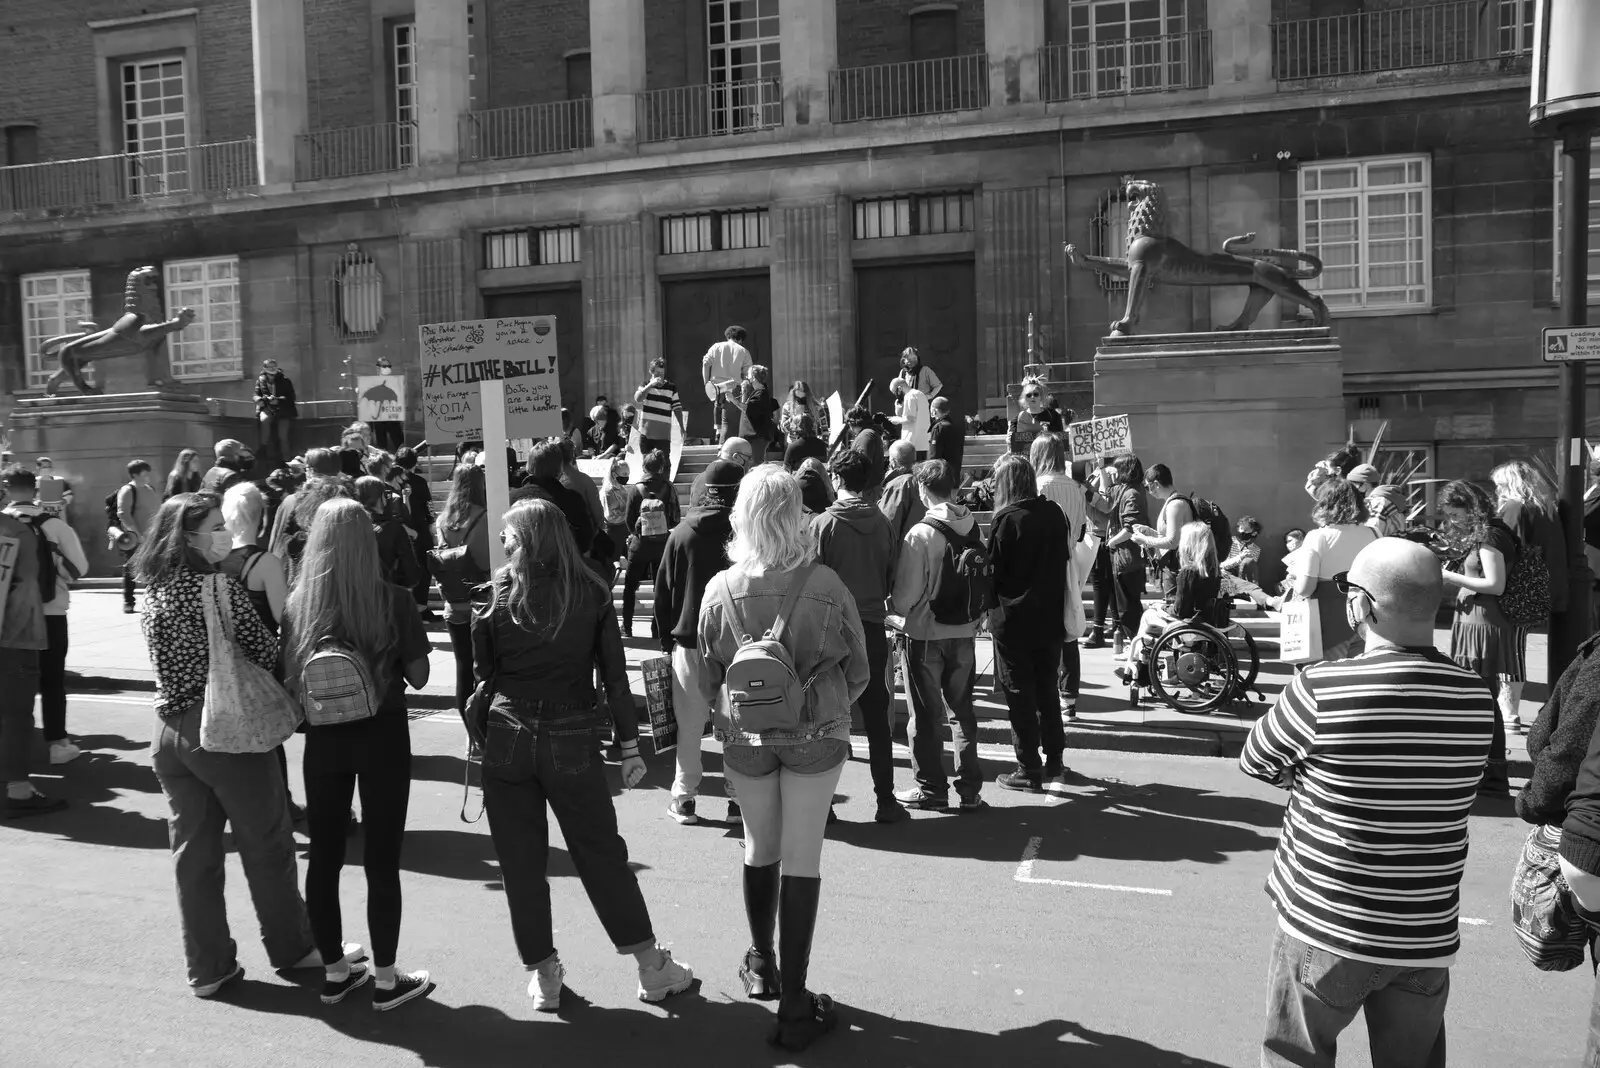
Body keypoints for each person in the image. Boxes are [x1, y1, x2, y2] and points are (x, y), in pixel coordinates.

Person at [1240, 537, 1493, 1068]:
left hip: (1327, 922)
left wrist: (1311, 776)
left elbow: (1257, 759)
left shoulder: (1322, 688)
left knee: (1296, 1056)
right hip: (1422, 932)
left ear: (1363, 604)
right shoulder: (1474, 696)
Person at [473, 499, 694, 1010]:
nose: (503, 543)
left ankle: (545, 973)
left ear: (528, 539)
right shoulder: (591, 590)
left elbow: (483, 676)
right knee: (601, 855)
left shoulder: (496, 594)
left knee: (520, 862)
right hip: (571, 733)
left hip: (508, 733)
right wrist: (630, 747)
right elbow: (615, 678)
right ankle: (650, 965)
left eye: (508, 536)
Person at [132, 492, 333, 996]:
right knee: (267, 844)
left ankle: (208, 968)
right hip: (224, 728)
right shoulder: (217, 588)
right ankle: (293, 949)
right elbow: (268, 650)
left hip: (169, 730)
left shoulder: (153, 588)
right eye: (215, 526)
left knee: (194, 857)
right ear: (188, 536)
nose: (224, 534)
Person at [698, 465, 868, 1053]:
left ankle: (761, 962)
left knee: (757, 845)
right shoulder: (824, 583)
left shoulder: (721, 587)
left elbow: (706, 670)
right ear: (796, 515)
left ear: (741, 517)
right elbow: (862, 669)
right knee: (802, 856)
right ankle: (795, 1000)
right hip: (816, 730)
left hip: (746, 734)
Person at [283, 498, 433, 1010]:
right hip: (384, 733)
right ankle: (389, 980)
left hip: (323, 741)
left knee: (323, 857)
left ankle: (334, 972)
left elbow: (290, 682)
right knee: (382, 858)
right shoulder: (392, 598)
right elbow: (419, 676)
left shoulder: (299, 604)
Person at [812, 449, 904, 824]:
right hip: (870, 625)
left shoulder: (823, 525)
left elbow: (811, 578)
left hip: (830, 627)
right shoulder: (882, 524)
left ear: (836, 479)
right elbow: (891, 575)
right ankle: (886, 799)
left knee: (826, 715)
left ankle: (824, 801)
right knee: (877, 714)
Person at [890, 460, 985, 813]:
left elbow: (904, 597)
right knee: (962, 712)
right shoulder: (973, 527)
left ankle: (931, 788)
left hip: (925, 634)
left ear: (921, 489)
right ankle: (970, 790)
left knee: (927, 716)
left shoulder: (921, 533)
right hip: (964, 633)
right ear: (955, 489)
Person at [654, 459, 743, 825]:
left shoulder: (681, 533)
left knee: (688, 726)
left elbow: (664, 592)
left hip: (689, 640)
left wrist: (664, 639)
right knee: (735, 725)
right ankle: (737, 799)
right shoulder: (744, 532)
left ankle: (685, 798)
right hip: (735, 640)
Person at [218, 483, 301, 820]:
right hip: (261, 664)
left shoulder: (216, 561)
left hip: (224, 661)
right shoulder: (264, 562)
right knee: (269, 738)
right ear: (262, 517)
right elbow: (286, 619)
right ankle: (280, 802)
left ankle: (240, 805)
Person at [987, 454, 1069, 793]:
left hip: (1014, 619)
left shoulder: (1007, 519)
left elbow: (994, 573)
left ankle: (1028, 767)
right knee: (1048, 688)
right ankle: (1054, 759)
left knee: (1019, 694)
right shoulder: (1054, 513)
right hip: (1049, 615)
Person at [2, 465, 88, 766]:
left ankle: (13, 747)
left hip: (6, 616)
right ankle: (57, 743)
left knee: (9, 682)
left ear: (6, 489)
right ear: (35, 490)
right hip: (50, 613)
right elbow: (80, 569)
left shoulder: (2, 524)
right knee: (52, 681)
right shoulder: (55, 526)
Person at [1438, 479, 1516, 797]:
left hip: (1483, 624)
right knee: (1481, 697)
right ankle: (1486, 768)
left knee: (1483, 698)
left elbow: (1496, 584)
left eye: (1456, 514)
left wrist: (1447, 575)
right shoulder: (1489, 533)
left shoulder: (1490, 535)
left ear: (1471, 508)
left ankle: (1493, 773)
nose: (1453, 521)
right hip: (1476, 621)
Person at [0, 481, 63, 818]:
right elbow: (30, 587)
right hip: (15, 636)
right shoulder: (16, 531)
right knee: (14, 716)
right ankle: (18, 792)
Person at [1492, 459, 1567, 734]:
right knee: (1516, 647)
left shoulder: (1513, 508)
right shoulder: (1546, 509)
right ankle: (1509, 711)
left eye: (1499, 484)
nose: (1496, 490)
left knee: (1510, 651)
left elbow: (1502, 547)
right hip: (1539, 588)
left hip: (1514, 588)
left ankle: (1509, 713)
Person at [1116, 521, 1221, 690]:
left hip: (1189, 624)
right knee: (1154, 615)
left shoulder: (1188, 572)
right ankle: (1146, 663)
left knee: (1148, 615)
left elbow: (1180, 610)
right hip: (1205, 621)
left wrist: (1162, 608)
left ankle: (1139, 666)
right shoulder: (1213, 570)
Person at [1289, 479, 1377, 664]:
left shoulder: (1317, 537)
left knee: (1324, 679)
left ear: (1324, 504)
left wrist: (1293, 578)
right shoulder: (1374, 533)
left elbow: (1305, 588)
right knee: (1358, 677)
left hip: (1328, 621)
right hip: (1366, 616)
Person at [1032, 434, 1088, 716]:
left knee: (1041, 632)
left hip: (1041, 565)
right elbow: (1078, 534)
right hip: (1069, 563)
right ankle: (1069, 697)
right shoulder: (1077, 489)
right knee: (1069, 629)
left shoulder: (1036, 486)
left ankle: (1047, 692)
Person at [436, 460, 490, 716]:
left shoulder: (442, 522)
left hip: (453, 604)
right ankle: (483, 730)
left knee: (462, 669)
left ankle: (469, 731)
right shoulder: (486, 517)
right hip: (482, 604)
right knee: (485, 670)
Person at [1094, 454, 1150, 652]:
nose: (1114, 473)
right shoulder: (1125, 490)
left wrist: (1111, 542)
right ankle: (1135, 646)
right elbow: (1107, 491)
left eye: (1117, 470)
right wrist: (1101, 468)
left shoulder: (1132, 494)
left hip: (1127, 559)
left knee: (1128, 608)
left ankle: (1137, 649)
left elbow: (1130, 527)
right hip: (1123, 558)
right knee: (1125, 606)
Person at [1128, 463, 1195, 598]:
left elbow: (1172, 542)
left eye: (1147, 487)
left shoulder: (1175, 505)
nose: (1148, 491)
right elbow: (1168, 536)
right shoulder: (1172, 502)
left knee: (1175, 612)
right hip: (1175, 568)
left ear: (1156, 484)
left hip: (1177, 569)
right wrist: (1149, 532)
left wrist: (1144, 540)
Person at [357, 476, 422, 592]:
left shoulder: (352, 526)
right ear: (381, 497)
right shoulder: (394, 528)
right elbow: (411, 572)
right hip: (389, 593)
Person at [115, 459, 160, 614]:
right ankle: (128, 601)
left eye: (148, 473)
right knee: (131, 569)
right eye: (144, 473)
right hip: (135, 538)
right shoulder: (128, 490)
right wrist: (137, 533)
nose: (147, 476)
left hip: (151, 537)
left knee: (154, 568)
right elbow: (123, 514)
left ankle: (154, 599)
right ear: (135, 474)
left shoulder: (149, 489)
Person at [394, 447, 435, 617]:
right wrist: (432, 522)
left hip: (398, 528)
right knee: (424, 567)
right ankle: (421, 606)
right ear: (415, 462)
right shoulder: (419, 481)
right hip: (420, 528)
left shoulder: (392, 481)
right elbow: (429, 507)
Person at [878, 440, 926, 574]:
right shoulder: (923, 479)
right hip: (922, 548)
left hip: (903, 552)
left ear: (893, 461)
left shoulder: (899, 484)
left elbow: (888, 522)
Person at [703, 325, 753, 443]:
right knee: (729, 421)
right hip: (734, 387)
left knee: (717, 406)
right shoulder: (743, 351)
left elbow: (705, 363)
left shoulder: (716, 347)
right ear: (740, 339)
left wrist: (706, 383)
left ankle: (717, 431)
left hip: (716, 386)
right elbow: (749, 373)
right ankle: (724, 443)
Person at [634, 357, 685, 456]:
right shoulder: (645, 385)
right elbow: (638, 398)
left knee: (664, 464)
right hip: (646, 434)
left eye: (662, 374)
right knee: (647, 465)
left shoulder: (671, 387)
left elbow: (677, 408)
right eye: (657, 374)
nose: (660, 377)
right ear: (651, 372)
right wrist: (650, 385)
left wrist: (682, 428)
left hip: (663, 435)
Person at [1345, 463, 1406, 538]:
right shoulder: (1384, 499)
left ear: (1365, 485)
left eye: (1354, 485)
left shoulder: (1378, 502)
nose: (1352, 490)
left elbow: (1373, 533)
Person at [254, 359, 298, 463]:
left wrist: (277, 400)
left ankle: (286, 460)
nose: (272, 369)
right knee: (264, 420)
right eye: (269, 367)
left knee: (283, 436)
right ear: (265, 368)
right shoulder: (261, 380)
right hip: (267, 407)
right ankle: (263, 451)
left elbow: (291, 397)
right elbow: (256, 394)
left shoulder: (285, 380)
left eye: (274, 366)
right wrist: (258, 400)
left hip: (284, 410)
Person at [737, 363, 781, 465]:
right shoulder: (757, 392)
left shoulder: (761, 393)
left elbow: (746, 408)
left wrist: (732, 399)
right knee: (751, 465)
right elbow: (746, 409)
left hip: (756, 437)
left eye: (748, 374)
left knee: (757, 465)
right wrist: (743, 392)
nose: (747, 377)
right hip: (752, 437)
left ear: (753, 377)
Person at [689, 437, 753, 503]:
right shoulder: (738, 480)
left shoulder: (699, 478)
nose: (751, 461)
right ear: (736, 457)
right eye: (749, 457)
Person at [1007, 377, 1062, 455]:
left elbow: (1060, 440)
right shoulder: (1018, 418)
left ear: (1041, 396)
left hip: (1046, 458)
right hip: (1025, 461)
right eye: (1029, 395)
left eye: (1035, 394)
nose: (1032, 397)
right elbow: (1010, 441)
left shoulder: (1053, 415)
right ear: (1025, 398)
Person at [600, 455, 632, 567]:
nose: (627, 477)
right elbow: (610, 516)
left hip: (624, 529)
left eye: (628, 474)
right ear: (614, 474)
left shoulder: (622, 489)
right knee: (611, 564)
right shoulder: (607, 492)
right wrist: (627, 513)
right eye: (624, 474)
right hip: (613, 531)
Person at [370, 357, 404, 453]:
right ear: (378, 368)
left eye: (389, 366)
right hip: (378, 419)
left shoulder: (395, 382)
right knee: (381, 447)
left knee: (400, 444)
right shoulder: (371, 383)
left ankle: (404, 462)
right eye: (384, 366)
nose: (387, 368)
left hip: (392, 418)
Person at [891, 383, 931, 460]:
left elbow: (911, 419)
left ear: (899, 388)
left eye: (895, 392)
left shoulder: (909, 396)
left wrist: (897, 420)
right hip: (923, 441)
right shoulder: (920, 394)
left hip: (912, 442)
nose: (896, 395)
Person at [780, 380, 826, 445]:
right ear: (793, 394)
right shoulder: (788, 406)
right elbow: (783, 429)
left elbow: (824, 429)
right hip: (793, 444)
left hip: (811, 443)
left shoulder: (816, 407)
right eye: (797, 399)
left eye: (804, 399)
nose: (800, 402)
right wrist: (793, 418)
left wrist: (825, 445)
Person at [927, 396, 964, 475]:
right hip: (954, 474)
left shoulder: (938, 428)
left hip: (941, 477)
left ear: (934, 411)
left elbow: (934, 455)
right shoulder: (956, 427)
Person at [1221, 516, 1262, 583]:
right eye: (1241, 528)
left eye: (1246, 530)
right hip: (1227, 578)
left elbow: (1250, 571)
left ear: (1254, 533)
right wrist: (1240, 557)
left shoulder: (1256, 549)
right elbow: (1222, 565)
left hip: (1242, 582)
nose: (1242, 531)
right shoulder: (1230, 541)